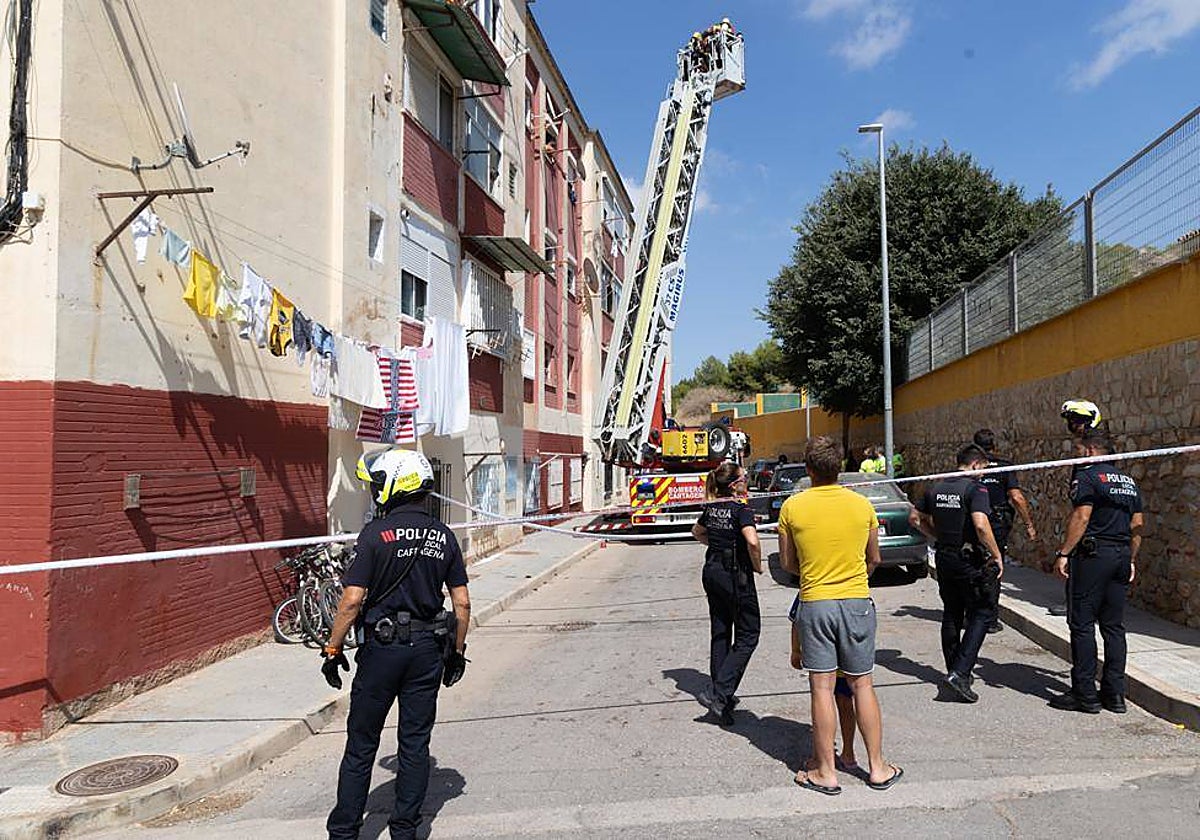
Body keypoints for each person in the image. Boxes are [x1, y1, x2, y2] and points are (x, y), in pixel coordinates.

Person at [323, 448, 472, 840]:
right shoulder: (444, 536)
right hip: (427, 651)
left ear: (392, 486)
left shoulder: (375, 534)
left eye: (376, 485)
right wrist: (457, 652)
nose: (374, 492)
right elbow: (462, 602)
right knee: (414, 743)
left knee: (361, 745)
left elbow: (352, 600)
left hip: (382, 652)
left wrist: (333, 650)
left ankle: (344, 833)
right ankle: (404, 830)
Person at [779, 436, 901, 794]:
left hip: (815, 602)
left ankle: (826, 772)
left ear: (808, 469)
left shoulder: (793, 507)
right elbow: (875, 558)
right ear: (841, 469)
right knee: (862, 683)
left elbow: (788, 563)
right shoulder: (861, 506)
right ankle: (877, 767)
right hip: (856, 601)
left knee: (822, 687)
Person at [1048, 431, 1143, 714]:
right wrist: (1131, 559)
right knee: (1114, 626)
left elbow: (1082, 516)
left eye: (1077, 450)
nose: (1076, 455)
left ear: (1090, 450)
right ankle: (1115, 695)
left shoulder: (1088, 476)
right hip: (1121, 555)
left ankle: (1085, 694)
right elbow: (1137, 524)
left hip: (1093, 556)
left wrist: (1064, 553)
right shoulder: (1128, 482)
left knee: (1082, 623)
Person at [910, 444, 1004, 704]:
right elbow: (981, 525)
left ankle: (954, 669)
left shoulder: (937, 487)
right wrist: (996, 555)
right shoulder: (975, 489)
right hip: (968, 558)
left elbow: (915, 518)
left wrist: (938, 535)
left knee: (952, 612)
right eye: (983, 469)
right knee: (983, 613)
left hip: (944, 556)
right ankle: (960, 673)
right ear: (975, 465)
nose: (984, 475)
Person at [691, 462, 762, 726]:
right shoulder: (741, 509)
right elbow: (752, 541)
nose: (747, 481)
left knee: (721, 632)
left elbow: (697, 532)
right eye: (744, 478)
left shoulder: (711, 508)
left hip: (713, 571)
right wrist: (757, 565)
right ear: (734, 485)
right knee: (748, 634)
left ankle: (722, 700)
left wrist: (717, 546)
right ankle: (718, 692)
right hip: (735, 575)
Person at [972, 428, 1038, 633]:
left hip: (975, 521)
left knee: (974, 565)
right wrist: (1029, 524)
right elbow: (1017, 498)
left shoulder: (970, 467)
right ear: (994, 446)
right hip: (998, 523)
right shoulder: (1004, 466)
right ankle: (990, 619)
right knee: (994, 566)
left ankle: (973, 615)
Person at [789, 595, 860, 774]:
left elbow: (797, 621)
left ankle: (819, 759)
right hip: (846, 655)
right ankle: (849, 754)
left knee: (821, 701)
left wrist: (796, 651)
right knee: (845, 704)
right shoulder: (854, 588)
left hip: (821, 657)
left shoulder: (811, 587)